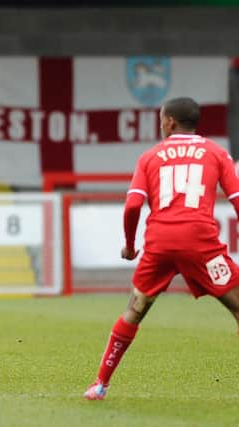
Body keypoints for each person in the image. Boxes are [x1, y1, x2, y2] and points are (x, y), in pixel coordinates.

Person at [84, 97, 239, 400]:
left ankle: (100, 384)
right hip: (201, 242)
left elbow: (132, 206)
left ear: (169, 122)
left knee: (135, 310)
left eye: (160, 118)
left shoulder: (150, 156)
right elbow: (236, 198)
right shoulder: (217, 153)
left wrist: (130, 246)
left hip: (160, 243)